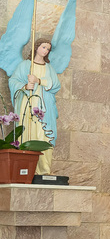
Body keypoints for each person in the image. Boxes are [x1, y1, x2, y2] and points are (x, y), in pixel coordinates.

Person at [8, 38, 60, 174]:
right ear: (37, 47)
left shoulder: (49, 68)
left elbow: (56, 85)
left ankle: (44, 171)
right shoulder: (25, 65)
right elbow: (13, 81)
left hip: (44, 109)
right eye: (43, 47)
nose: (46, 50)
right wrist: (25, 86)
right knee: (28, 134)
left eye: (48, 49)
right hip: (28, 106)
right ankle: (26, 171)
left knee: (44, 136)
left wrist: (39, 81)